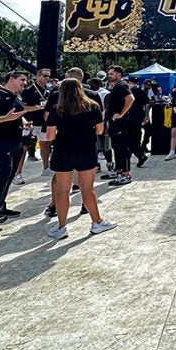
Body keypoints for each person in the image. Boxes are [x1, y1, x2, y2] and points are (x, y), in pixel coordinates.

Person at [45, 78, 116, 239]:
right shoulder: (93, 107)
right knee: (87, 188)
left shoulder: (57, 109)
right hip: (86, 150)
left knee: (63, 190)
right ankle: (97, 222)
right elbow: (99, 131)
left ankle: (61, 226)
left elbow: (50, 135)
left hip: (62, 152)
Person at [0, 71, 41, 228]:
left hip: (16, 141)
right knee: (2, 175)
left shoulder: (16, 97)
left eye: (25, 80)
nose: (24, 83)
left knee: (9, 175)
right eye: (22, 80)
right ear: (11, 79)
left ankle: (1, 207)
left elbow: (17, 113)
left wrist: (24, 121)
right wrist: (5, 119)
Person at [104, 66, 136, 186]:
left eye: (111, 74)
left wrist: (121, 114)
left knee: (122, 148)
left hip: (120, 124)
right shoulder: (116, 86)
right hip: (114, 124)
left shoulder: (122, 85)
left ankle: (125, 174)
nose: (109, 76)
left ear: (118, 74)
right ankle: (119, 171)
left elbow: (130, 98)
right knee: (116, 148)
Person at [22, 69, 52, 174]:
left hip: (43, 122)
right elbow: (23, 107)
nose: (47, 78)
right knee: (24, 148)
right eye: (45, 76)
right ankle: (18, 173)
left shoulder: (49, 91)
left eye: (48, 76)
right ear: (38, 76)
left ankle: (46, 168)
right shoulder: (28, 90)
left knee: (45, 145)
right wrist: (38, 107)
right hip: (30, 122)